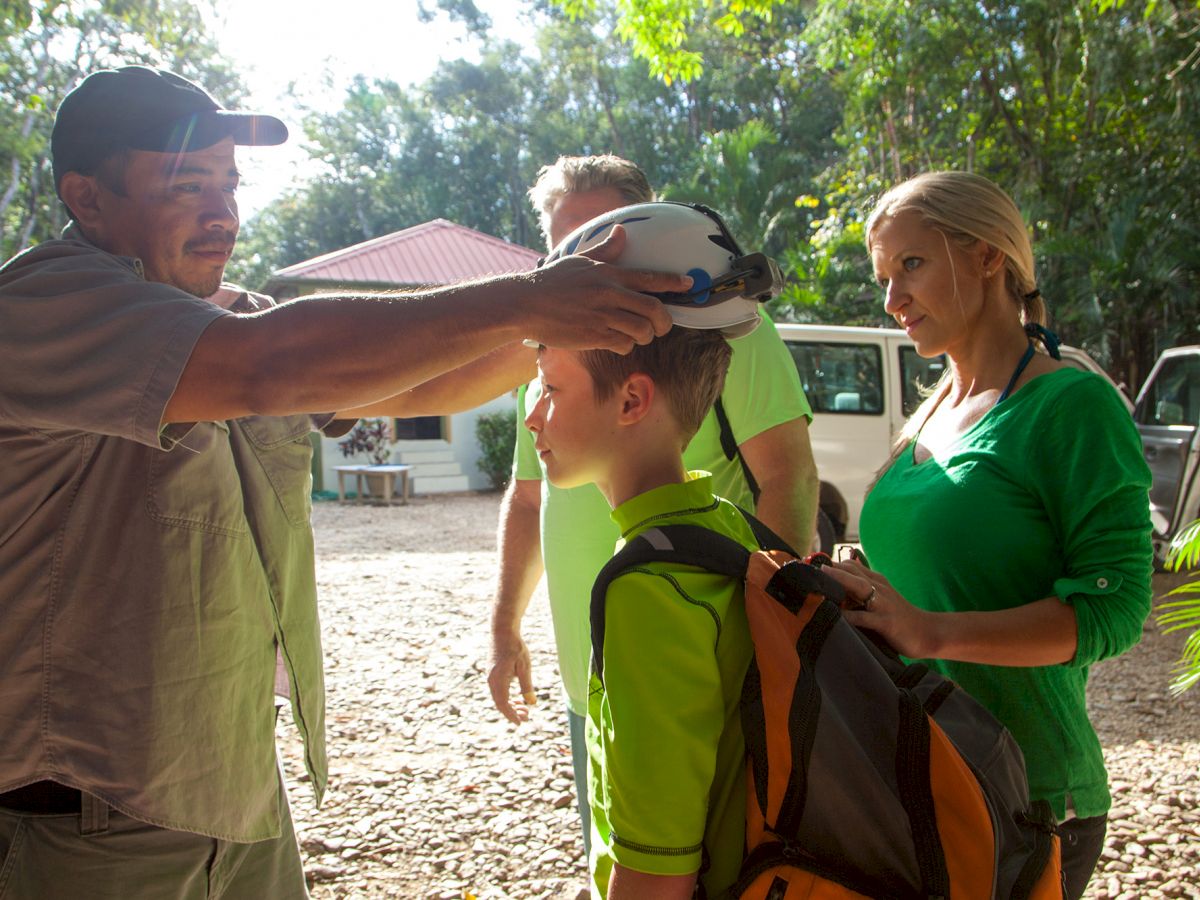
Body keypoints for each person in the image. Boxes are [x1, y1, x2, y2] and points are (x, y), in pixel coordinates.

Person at [0, 65, 691, 898]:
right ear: (88, 197)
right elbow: (266, 369)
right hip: (87, 814)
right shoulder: (42, 304)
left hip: (230, 784)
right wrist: (530, 302)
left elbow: (415, 386)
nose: (223, 212)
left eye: (229, 182)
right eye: (187, 185)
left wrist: (603, 312)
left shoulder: (233, 316)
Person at [824, 171, 1152, 900]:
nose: (891, 300)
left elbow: (1117, 607)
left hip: (1025, 793)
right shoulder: (933, 406)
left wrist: (930, 632)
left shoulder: (1072, 406)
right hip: (914, 771)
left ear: (987, 258)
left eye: (911, 264)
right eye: (883, 276)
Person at [487, 155, 818, 864]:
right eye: (562, 247)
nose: (578, 267)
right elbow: (527, 497)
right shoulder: (556, 355)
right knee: (618, 836)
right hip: (596, 663)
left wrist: (778, 641)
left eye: (601, 240)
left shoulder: (713, 328)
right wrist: (505, 626)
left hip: (685, 644)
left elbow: (786, 478)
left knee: (700, 851)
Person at [524, 316, 753, 899]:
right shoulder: (727, 523)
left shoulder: (648, 588)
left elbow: (659, 873)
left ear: (631, 400)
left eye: (550, 389)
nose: (532, 416)